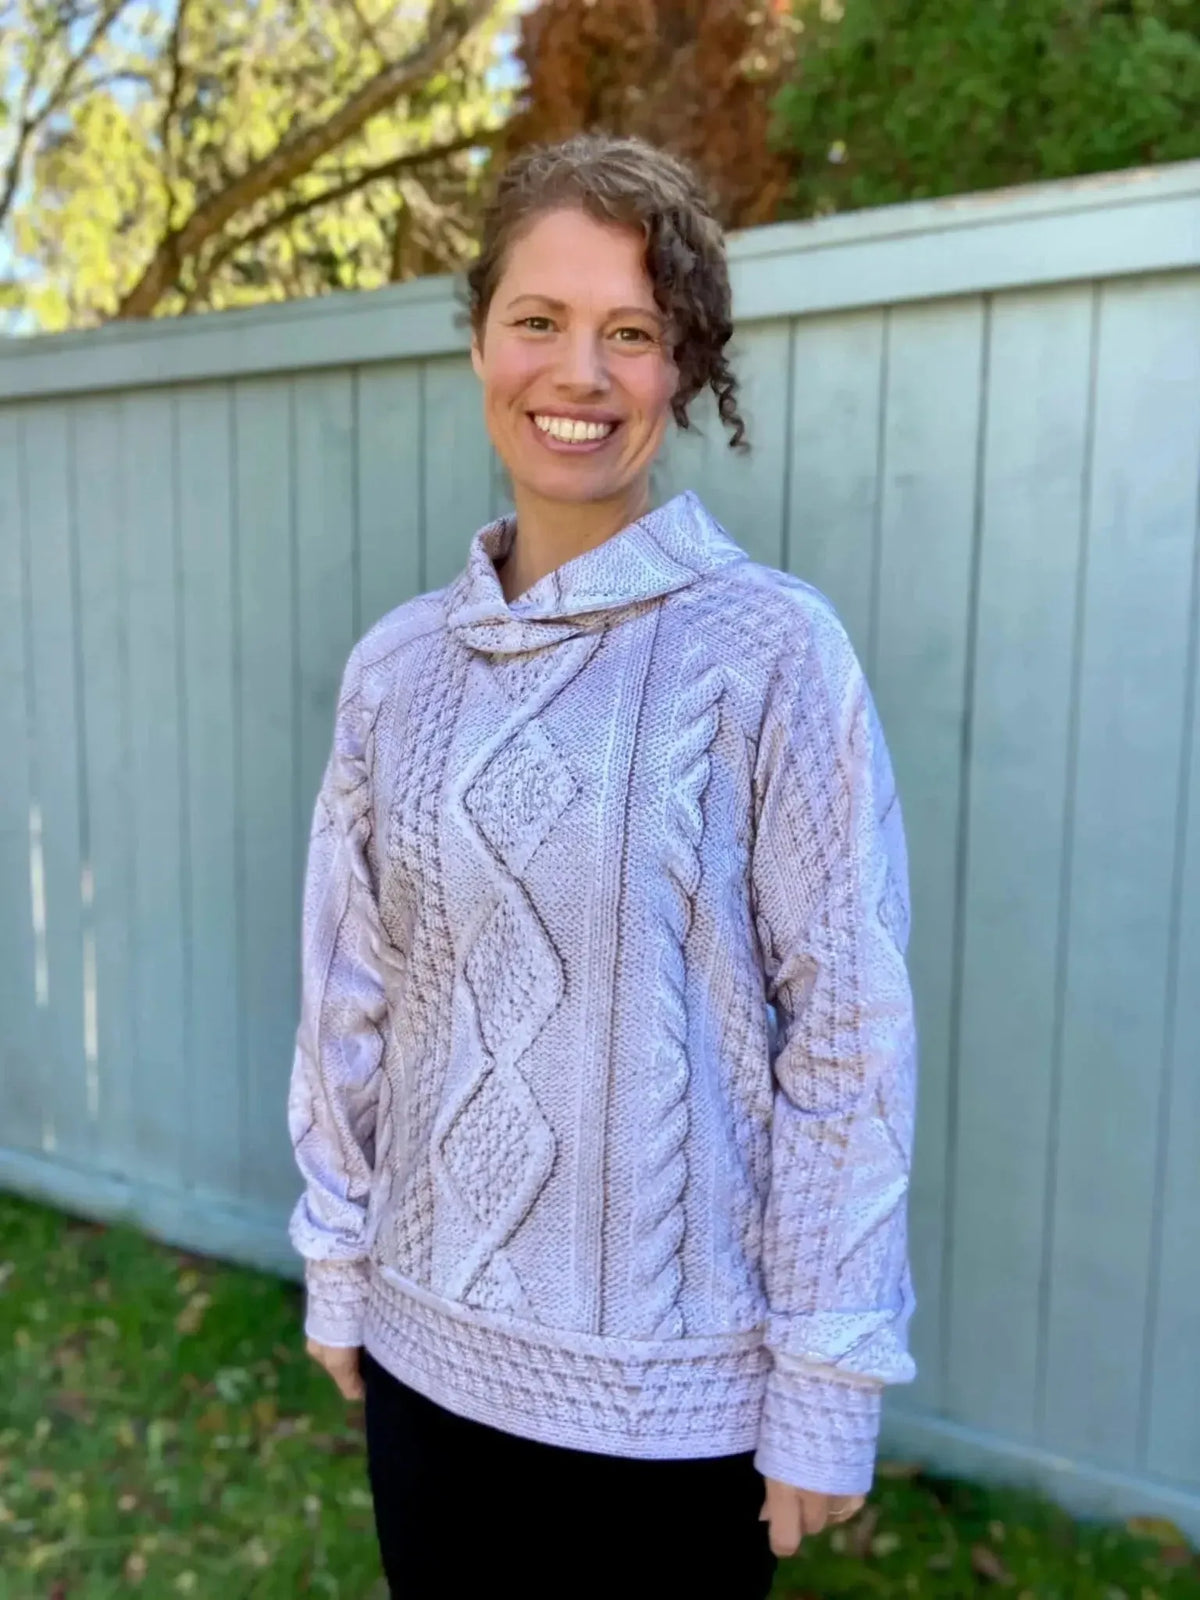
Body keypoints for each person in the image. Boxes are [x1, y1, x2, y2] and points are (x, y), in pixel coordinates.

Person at [287, 133, 918, 1600]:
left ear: (681, 367)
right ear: (480, 344)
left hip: (676, 1418)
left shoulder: (772, 652)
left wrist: (828, 1375)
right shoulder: (396, 670)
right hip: (429, 1369)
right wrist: (338, 1258)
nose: (579, 372)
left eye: (631, 331)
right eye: (540, 320)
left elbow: (849, 1034)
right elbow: (349, 994)